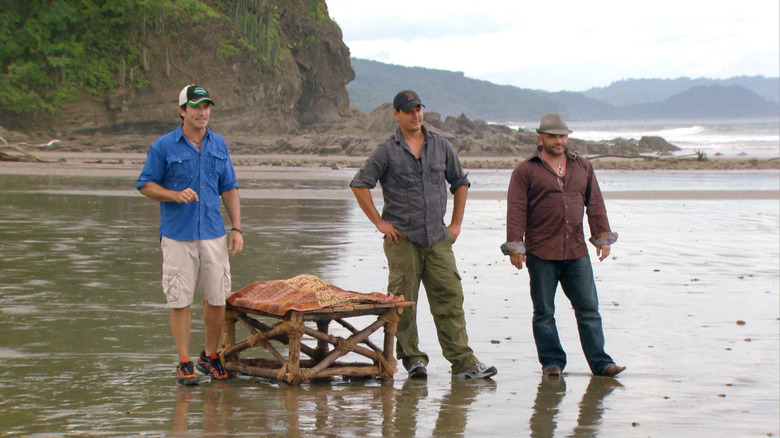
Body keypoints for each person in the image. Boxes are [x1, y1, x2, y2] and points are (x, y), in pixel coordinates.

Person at [350, 90, 497, 380]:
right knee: (404, 303)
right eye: (408, 111)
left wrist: (456, 224)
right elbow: (359, 184)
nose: (416, 115)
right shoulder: (386, 150)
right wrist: (380, 223)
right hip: (402, 239)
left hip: (438, 238)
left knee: (450, 298)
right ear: (397, 115)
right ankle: (414, 361)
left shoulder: (440, 145)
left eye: (418, 109)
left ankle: (464, 362)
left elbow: (460, 182)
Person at [502, 113, 625, 378]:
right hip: (541, 252)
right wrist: (516, 246)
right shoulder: (525, 170)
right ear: (540, 138)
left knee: (589, 310)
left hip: (577, 251)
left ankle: (601, 363)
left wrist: (602, 236)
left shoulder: (582, 166)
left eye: (562, 136)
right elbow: (516, 210)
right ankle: (552, 363)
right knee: (544, 312)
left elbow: (595, 203)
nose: (558, 141)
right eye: (552, 136)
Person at [137, 84, 244, 385]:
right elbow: (145, 184)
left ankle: (208, 357)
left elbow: (229, 187)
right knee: (179, 299)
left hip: (213, 232)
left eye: (206, 106)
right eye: (196, 106)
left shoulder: (218, 144)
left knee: (217, 298)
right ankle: (184, 362)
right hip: (176, 235)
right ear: (182, 110)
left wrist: (236, 228)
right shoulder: (163, 146)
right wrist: (172, 195)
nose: (202, 112)